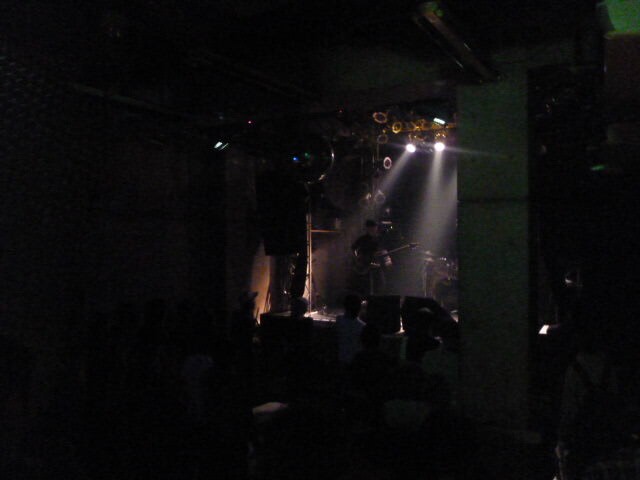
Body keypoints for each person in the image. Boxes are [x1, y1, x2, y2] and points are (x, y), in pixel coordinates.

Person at [351, 220, 387, 295]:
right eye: (372, 227)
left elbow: (382, 250)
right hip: (366, 266)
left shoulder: (379, 238)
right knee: (368, 287)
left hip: (377, 265)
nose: (374, 229)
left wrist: (385, 257)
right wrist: (359, 258)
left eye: (375, 227)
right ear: (368, 228)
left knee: (380, 285)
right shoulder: (362, 239)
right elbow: (354, 249)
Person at [336, 294, 366, 365]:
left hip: (341, 360)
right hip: (356, 363)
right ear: (359, 308)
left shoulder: (339, 320)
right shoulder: (362, 326)